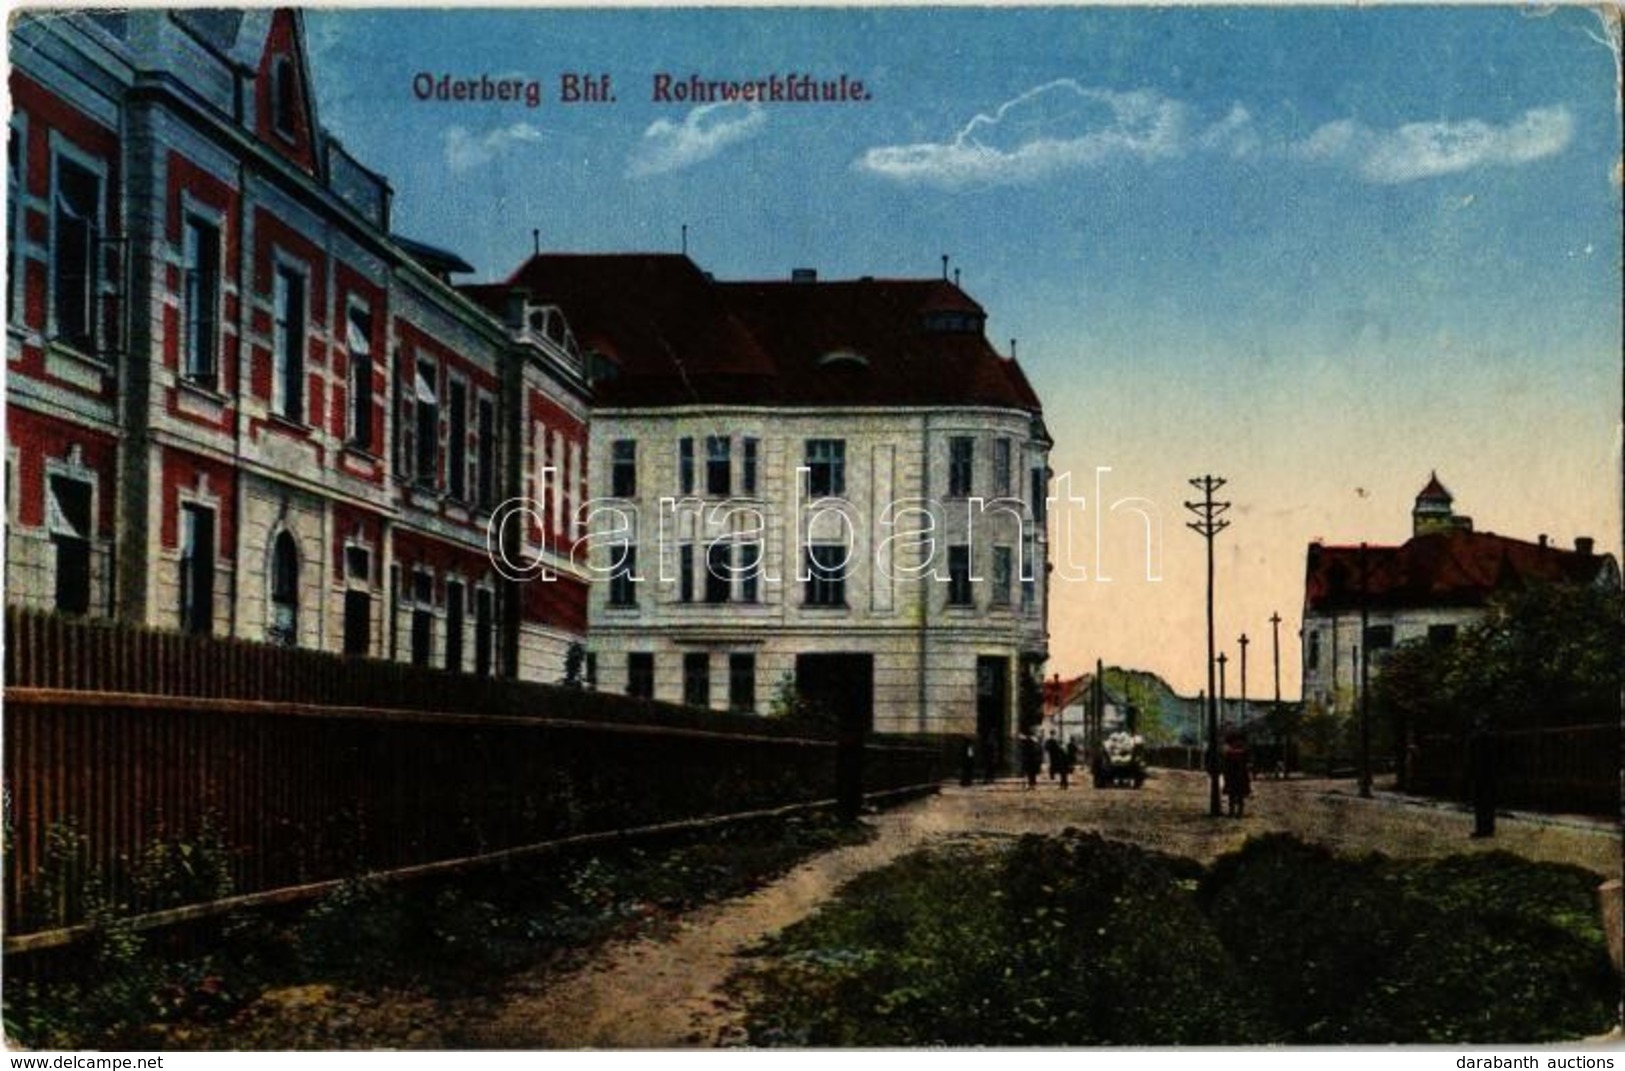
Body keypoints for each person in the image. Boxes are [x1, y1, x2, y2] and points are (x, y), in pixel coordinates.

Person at [1221, 731, 1252, 817]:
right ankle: (1236, 812)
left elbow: (1226, 755)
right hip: (1236, 773)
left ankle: (1235, 812)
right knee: (1236, 794)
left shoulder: (1231, 749)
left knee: (1236, 794)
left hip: (1236, 773)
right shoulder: (1242, 748)